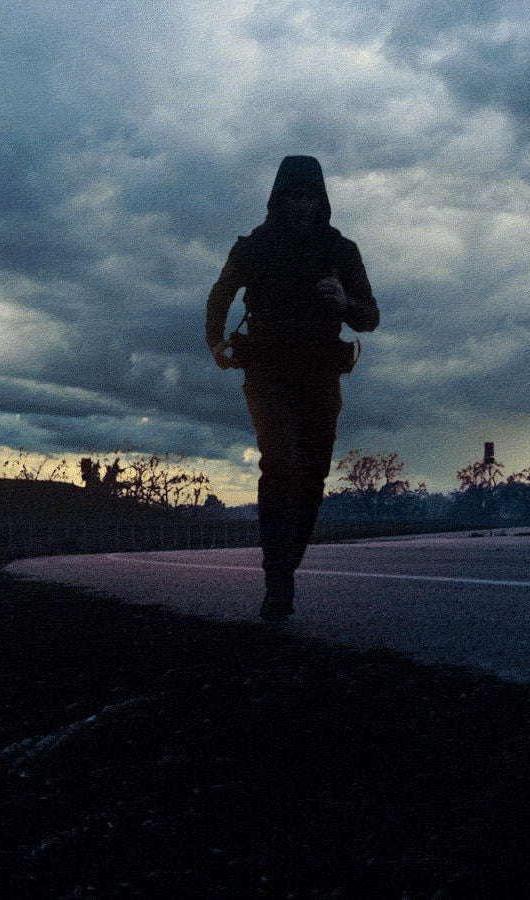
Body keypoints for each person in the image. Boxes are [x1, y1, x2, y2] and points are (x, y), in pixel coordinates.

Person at [207, 156, 379, 622]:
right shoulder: (253, 247)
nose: (302, 205)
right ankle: (277, 580)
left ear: (321, 201)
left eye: (310, 197)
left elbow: (371, 317)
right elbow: (220, 294)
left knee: (313, 473)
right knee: (280, 466)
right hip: (266, 373)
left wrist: (345, 302)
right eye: (293, 196)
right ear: (278, 199)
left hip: (321, 373)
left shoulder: (341, 250)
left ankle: (286, 561)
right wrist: (215, 340)